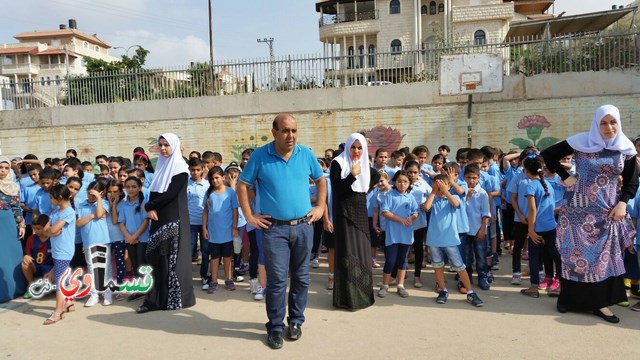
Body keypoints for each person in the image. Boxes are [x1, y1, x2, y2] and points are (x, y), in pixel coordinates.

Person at [542, 104, 638, 323]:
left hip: (606, 212)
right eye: (603, 123)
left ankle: (600, 304)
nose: (609, 127)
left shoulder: (625, 148)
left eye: (613, 122)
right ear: (596, 123)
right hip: (575, 211)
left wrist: (623, 203)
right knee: (573, 255)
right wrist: (565, 176)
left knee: (601, 259)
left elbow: (631, 180)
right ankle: (568, 299)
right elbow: (548, 155)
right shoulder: (581, 141)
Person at [237, 113, 325, 350]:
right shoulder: (260, 156)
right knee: (276, 281)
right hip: (273, 229)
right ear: (274, 131)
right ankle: (275, 327)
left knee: (301, 278)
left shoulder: (305, 153)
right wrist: (249, 215)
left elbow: (321, 180)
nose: (291, 136)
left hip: (303, 226)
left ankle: (295, 321)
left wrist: (320, 206)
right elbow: (242, 185)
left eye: (294, 130)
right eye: (286, 131)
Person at [138, 133, 195, 313]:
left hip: (173, 220)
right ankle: (155, 299)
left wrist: (149, 205)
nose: (163, 148)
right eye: (160, 145)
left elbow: (170, 194)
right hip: (158, 219)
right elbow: (156, 193)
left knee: (171, 260)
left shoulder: (180, 167)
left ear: (175, 146)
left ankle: (173, 299)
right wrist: (151, 207)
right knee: (155, 258)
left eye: (166, 145)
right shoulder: (161, 168)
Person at [330, 132, 378, 310]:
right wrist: (352, 175)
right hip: (344, 214)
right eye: (353, 147)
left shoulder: (364, 164)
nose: (356, 151)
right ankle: (347, 299)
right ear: (347, 146)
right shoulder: (338, 163)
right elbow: (337, 189)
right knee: (348, 254)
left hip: (360, 213)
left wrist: (365, 182)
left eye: (359, 147)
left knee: (363, 254)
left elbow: (375, 176)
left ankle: (363, 296)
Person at [424, 174, 484, 307]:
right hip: (434, 240)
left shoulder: (454, 197)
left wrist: (445, 191)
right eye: (437, 187)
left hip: (450, 239)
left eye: (442, 187)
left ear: (449, 186)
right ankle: (443, 290)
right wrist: (434, 191)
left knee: (459, 266)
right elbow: (426, 207)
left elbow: (456, 204)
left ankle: (470, 292)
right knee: (438, 266)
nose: (439, 190)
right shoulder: (433, 198)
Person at [519, 156, 561, 298]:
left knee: (535, 257)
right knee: (554, 254)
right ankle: (560, 280)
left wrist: (530, 229)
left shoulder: (531, 186)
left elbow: (532, 210)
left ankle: (534, 287)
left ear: (526, 170)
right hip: (551, 225)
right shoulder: (547, 184)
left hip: (538, 227)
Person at [379, 170, 418, 298]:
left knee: (403, 260)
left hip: (406, 234)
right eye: (400, 181)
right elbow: (385, 212)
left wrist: (411, 218)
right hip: (392, 235)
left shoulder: (410, 197)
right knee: (390, 260)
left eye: (405, 182)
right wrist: (401, 219)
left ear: (409, 183)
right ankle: (385, 285)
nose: (402, 184)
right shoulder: (389, 195)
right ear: (394, 182)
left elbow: (415, 212)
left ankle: (400, 285)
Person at [42, 184, 76, 324]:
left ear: (60, 197)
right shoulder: (56, 211)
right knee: (63, 279)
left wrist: (51, 230)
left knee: (59, 282)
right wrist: (51, 231)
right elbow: (46, 231)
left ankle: (58, 311)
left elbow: (52, 229)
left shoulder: (68, 212)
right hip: (57, 250)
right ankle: (69, 303)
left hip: (64, 251)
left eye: (51, 197)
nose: (50, 199)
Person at [76, 180, 113, 307]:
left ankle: (107, 293)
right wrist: (91, 216)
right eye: (89, 194)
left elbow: (99, 214)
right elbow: (79, 223)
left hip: (103, 240)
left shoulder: (105, 203)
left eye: (93, 194)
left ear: (101, 194)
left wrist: (98, 199)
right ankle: (94, 294)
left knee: (106, 268)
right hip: (88, 242)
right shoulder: (81, 205)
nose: (90, 196)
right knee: (92, 269)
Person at [202, 166, 239, 293]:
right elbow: (205, 211)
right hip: (213, 232)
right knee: (214, 257)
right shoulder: (209, 194)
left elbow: (235, 210)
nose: (215, 181)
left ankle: (229, 279)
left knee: (228, 257)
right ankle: (213, 280)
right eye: (212, 179)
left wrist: (234, 227)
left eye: (217, 178)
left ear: (223, 177)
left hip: (227, 232)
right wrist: (204, 228)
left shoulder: (230, 192)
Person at [118, 177, 150, 302]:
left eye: (134, 186)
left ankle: (148, 289)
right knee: (135, 264)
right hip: (130, 240)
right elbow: (121, 223)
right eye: (128, 187)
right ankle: (140, 290)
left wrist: (135, 236)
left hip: (142, 239)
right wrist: (129, 237)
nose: (131, 189)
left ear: (139, 187)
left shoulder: (143, 203)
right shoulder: (125, 204)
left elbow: (145, 221)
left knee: (143, 264)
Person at [0, 157, 27, 303]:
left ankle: (14, 289)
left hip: (9, 224)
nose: (3, 171)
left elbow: (16, 208)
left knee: (11, 256)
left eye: (6, 168)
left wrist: (21, 225)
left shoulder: (13, 187)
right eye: (0, 167)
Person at [21, 215, 54, 299]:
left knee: (46, 289)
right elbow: (28, 254)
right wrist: (26, 256)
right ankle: (32, 287)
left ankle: (48, 286)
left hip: (49, 268)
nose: (35, 231)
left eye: (38, 229)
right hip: (36, 266)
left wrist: (52, 271)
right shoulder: (31, 239)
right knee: (24, 263)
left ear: (46, 227)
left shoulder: (53, 239)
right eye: (34, 228)